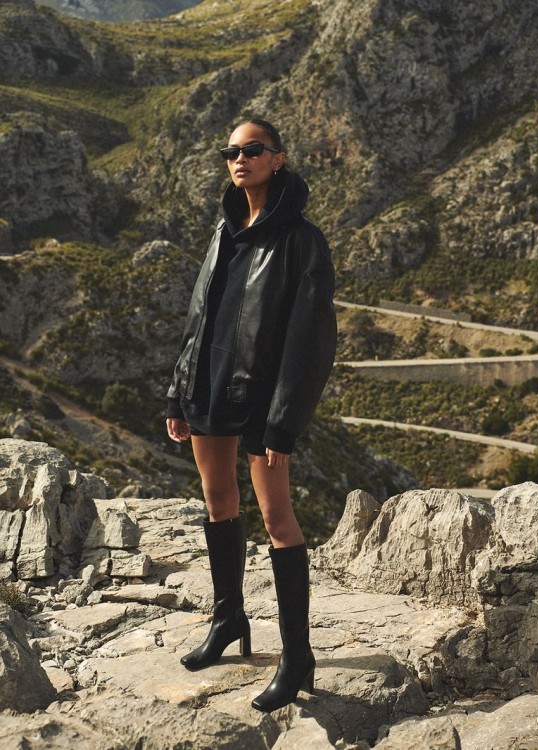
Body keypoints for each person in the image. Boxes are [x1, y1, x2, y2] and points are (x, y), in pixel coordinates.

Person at [166, 118, 337, 713]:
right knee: (218, 501)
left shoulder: (301, 240)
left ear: (278, 158)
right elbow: (199, 317)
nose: (240, 158)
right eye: (231, 151)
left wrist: (283, 421)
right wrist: (179, 392)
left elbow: (311, 341)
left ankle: (297, 657)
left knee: (276, 517)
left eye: (252, 149)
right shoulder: (224, 229)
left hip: (264, 399)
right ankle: (228, 620)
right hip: (210, 386)